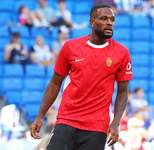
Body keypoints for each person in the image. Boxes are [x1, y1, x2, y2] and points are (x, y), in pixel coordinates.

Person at [30, 4, 133, 150]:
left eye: (112, 19)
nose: (109, 22)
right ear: (92, 22)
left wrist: (115, 122)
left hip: (97, 126)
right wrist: (40, 116)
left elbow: (123, 92)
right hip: (67, 120)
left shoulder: (122, 53)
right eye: (104, 18)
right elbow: (54, 83)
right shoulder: (70, 47)